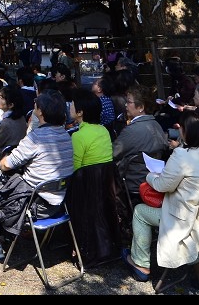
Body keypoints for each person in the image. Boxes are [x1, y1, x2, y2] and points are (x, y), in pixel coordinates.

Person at [122, 110, 199, 295]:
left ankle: (141, 264)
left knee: (140, 212)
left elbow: (162, 185)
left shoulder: (183, 155)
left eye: (181, 127)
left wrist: (150, 175)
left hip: (193, 223)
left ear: (188, 132)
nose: (179, 129)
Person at [0, 89, 74, 262]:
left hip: (33, 203)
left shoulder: (37, 137)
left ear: (41, 112)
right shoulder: (65, 135)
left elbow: (6, 164)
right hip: (58, 202)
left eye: (37, 106)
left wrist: (4, 159)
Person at [68, 88, 122, 267]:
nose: (70, 106)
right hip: (105, 187)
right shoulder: (103, 131)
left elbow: (76, 169)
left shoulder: (78, 136)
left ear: (80, 112)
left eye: (73, 104)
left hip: (84, 189)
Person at [112, 85, 169, 208]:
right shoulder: (156, 125)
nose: (126, 105)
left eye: (129, 102)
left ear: (141, 107)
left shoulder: (133, 130)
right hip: (153, 178)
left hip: (134, 182)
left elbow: (112, 153)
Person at [0, 84, 28, 161]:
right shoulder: (21, 118)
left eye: (2, 98)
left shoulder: (6, 124)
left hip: (1, 159)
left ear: (10, 105)